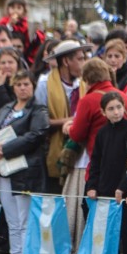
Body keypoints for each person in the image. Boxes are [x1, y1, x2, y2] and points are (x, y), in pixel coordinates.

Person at [65, 58, 127, 252]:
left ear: (86, 78)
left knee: (94, 208)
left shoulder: (88, 99)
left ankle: (96, 253)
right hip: (126, 164)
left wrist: (68, 128)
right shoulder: (123, 96)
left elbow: (78, 134)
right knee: (123, 216)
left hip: (100, 162)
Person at [0, 71, 50, 254]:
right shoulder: (6, 108)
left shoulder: (38, 109)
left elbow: (36, 134)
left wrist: (5, 149)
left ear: (33, 86)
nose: (23, 87)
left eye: (26, 84)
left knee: (24, 219)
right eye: (19, 84)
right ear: (13, 87)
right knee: (12, 219)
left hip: (25, 171)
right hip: (4, 169)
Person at [86, 92, 127, 254]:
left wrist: (123, 187)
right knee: (107, 231)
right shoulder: (102, 133)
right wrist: (92, 185)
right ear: (103, 112)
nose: (116, 112)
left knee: (126, 231)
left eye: (119, 107)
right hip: (105, 190)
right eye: (111, 109)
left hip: (123, 191)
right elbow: (96, 161)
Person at [36, 40, 92, 193]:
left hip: (78, 153)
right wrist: (70, 121)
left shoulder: (83, 83)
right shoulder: (45, 83)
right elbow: (39, 122)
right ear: (66, 61)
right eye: (80, 59)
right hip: (53, 150)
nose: (84, 62)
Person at [0, 0, 44, 65]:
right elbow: (0, 33)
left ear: (24, 11)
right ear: (8, 9)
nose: (15, 11)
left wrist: (34, 32)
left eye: (19, 8)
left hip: (25, 53)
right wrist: (9, 25)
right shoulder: (4, 22)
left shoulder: (26, 23)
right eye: (12, 8)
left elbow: (33, 41)